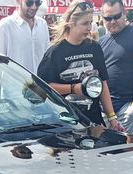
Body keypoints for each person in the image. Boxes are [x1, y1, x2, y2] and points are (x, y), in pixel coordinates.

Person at [37, 0, 123, 130]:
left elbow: (102, 83)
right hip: (65, 122)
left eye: (90, 22)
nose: (89, 28)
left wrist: (112, 117)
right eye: (84, 23)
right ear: (71, 23)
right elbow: (43, 87)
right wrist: (73, 88)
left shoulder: (94, 47)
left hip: (93, 119)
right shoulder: (55, 52)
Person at [98, 0, 133, 137]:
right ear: (102, 18)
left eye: (116, 16)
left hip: (126, 107)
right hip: (106, 110)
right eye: (108, 18)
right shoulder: (102, 41)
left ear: (124, 14)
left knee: (126, 149)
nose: (112, 21)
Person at [0, 0, 50, 73]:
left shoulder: (43, 24)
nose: (34, 7)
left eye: (38, 2)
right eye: (29, 2)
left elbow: (47, 57)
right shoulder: (4, 26)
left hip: (40, 79)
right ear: (19, 1)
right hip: (15, 80)